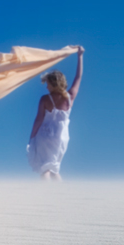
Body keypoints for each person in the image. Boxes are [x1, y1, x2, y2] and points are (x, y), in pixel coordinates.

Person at [27, 45, 84, 180]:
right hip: (61, 137)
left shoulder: (45, 99)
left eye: (48, 84)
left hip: (45, 135)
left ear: (54, 84)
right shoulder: (70, 97)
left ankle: (45, 193)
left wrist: (32, 136)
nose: (46, 86)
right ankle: (60, 194)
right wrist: (80, 56)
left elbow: (39, 119)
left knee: (45, 168)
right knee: (54, 167)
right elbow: (79, 76)